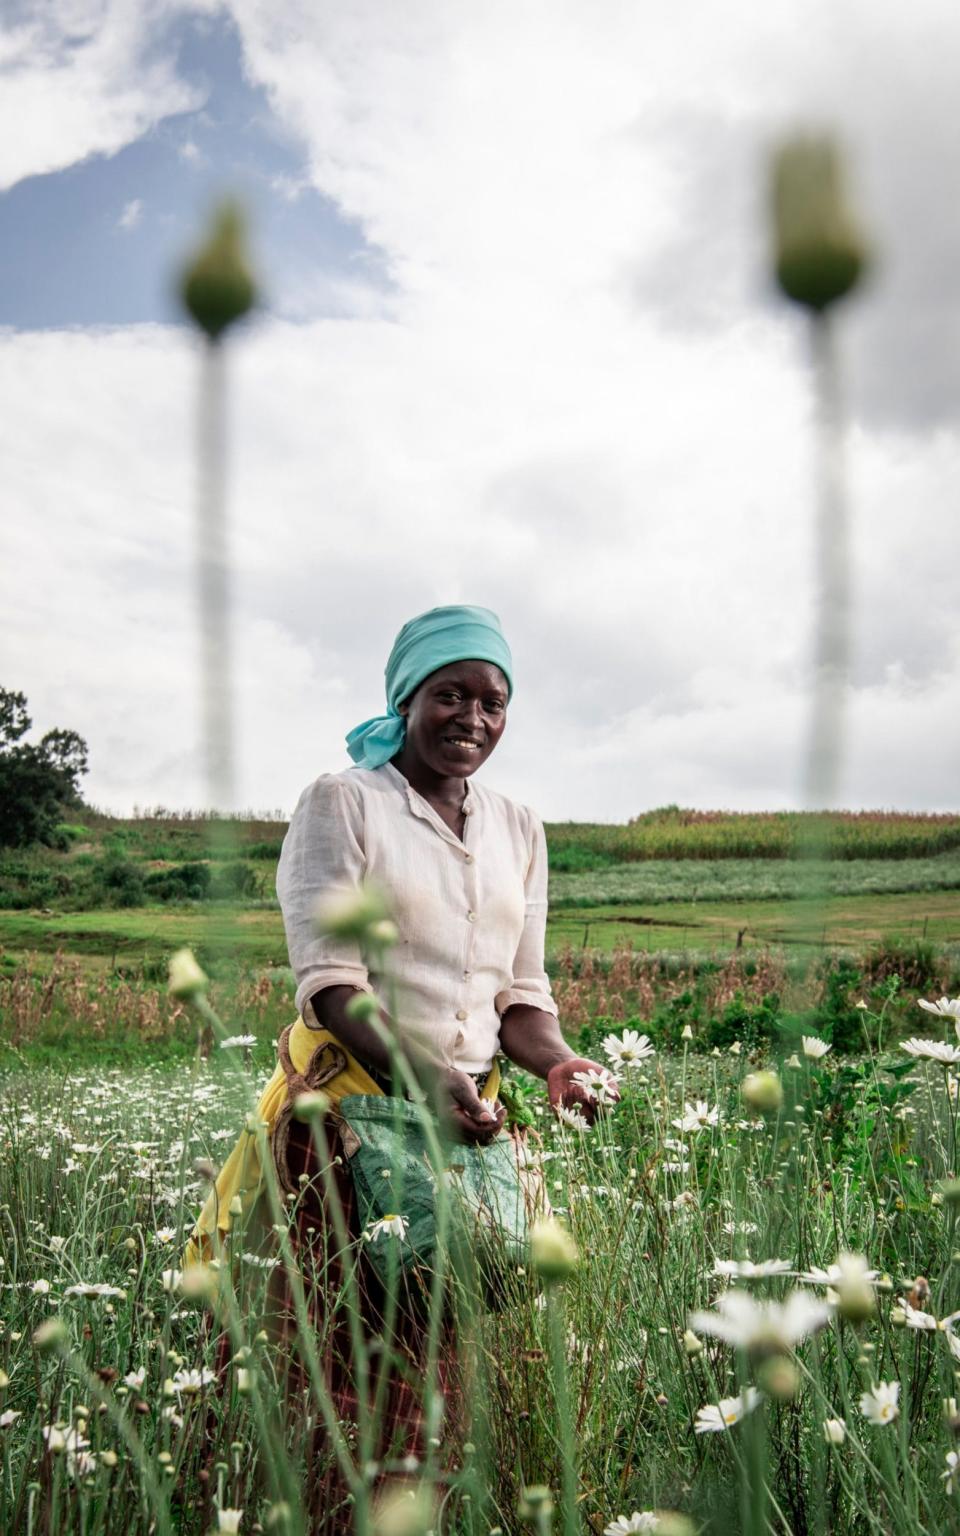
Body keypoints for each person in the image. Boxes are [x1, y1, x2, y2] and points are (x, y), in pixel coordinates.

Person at [185, 604, 614, 1523]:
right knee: (331, 1366)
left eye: (492, 701)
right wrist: (432, 1077)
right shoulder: (345, 803)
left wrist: (560, 1065)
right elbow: (334, 987)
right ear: (406, 698)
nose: (472, 718)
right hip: (344, 1127)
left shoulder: (519, 827)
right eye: (448, 694)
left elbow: (521, 997)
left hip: (456, 1142)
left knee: (430, 1373)